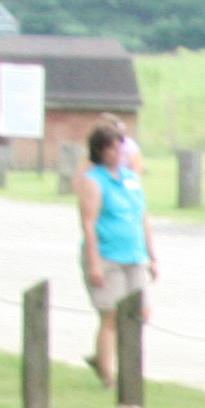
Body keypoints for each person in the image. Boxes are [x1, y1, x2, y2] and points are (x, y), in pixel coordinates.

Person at [75, 120, 156, 385]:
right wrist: (94, 263)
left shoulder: (132, 179)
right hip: (107, 256)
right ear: (100, 151)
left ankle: (109, 361)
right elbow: (88, 223)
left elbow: (143, 218)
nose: (118, 153)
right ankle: (108, 375)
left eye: (120, 147)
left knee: (139, 313)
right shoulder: (94, 181)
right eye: (111, 148)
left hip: (133, 256)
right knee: (110, 314)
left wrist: (152, 256)